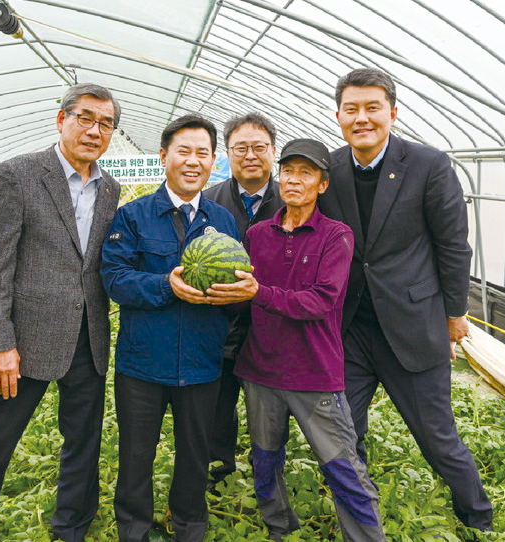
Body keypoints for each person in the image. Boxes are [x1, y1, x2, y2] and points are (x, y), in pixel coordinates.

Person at [318, 67, 493, 530]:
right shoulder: (330, 170)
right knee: (341, 435)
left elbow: (453, 244)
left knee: (437, 437)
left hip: (413, 325)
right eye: (351, 109)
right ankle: (360, 516)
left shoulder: (429, 164)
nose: (362, 118)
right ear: (338, 115)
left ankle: (479, 519)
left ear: (392, 113)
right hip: (351, 329)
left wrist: (456, 312)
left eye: (372, 107)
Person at [0, 83, 122, 542]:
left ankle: (72, 528)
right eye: (85, 118)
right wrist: (1, 344)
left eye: (105, 123)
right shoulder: (19, 174)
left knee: (82, 442)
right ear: (61, 118)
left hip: (88, 336)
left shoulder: (110, 189)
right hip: (23, 343)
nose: (94, 130)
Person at [210, 138, 387, 541]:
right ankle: (279, 527)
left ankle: (366, 537)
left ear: (322, 185)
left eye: (305, 173)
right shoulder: (256, 235)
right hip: (260, 370)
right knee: (264, 459)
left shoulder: (335, 236)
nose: (294, 180)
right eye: (288, 171)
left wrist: (259, 293)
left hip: (313, 373)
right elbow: (240, 295)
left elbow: (321, 301)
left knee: (342, 464)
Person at [101, 114, 241, 542]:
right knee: (136, 455)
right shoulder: (132, 216)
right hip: (142, 363)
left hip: (202, 362)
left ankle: (189, 525)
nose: (193, 161)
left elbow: (236, 279)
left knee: (195, 456)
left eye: (203, 153)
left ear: (213, 160)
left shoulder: (223, 220)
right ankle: (133, 529)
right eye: (184, 151)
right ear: (164, 156)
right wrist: (167, 285)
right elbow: (114, 278)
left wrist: (241, 292)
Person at [201, 112, 284, 487]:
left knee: (270, 415)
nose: (250, 155)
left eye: (259, 147)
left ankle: (269, 479)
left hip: (275, 328)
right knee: (218, 409)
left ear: (273, 151)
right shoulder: (208, 201)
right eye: (240, 148)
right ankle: (220, 474)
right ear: (227, 155)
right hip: (219, 328)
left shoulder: (295, 198)